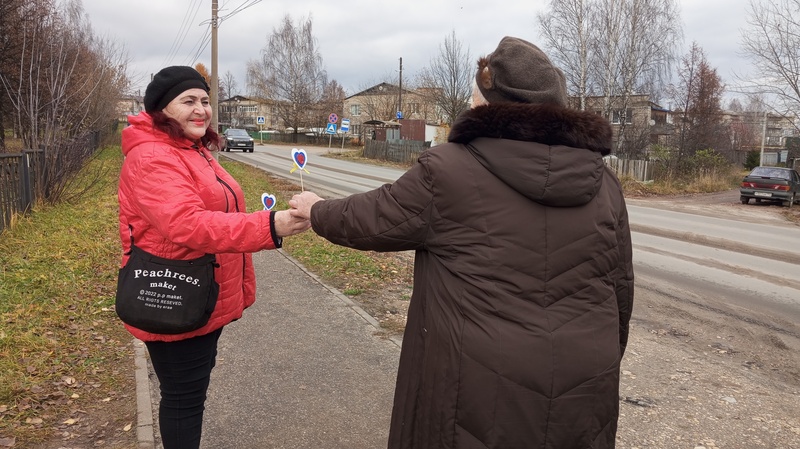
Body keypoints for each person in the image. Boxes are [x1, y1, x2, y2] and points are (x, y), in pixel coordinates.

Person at [290, 36, 634, 448]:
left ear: (488, 103)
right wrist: (603, 358)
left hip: (477, 381)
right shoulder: (604, 183)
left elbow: (372, 218)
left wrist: (315, 209)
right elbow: (620, 289)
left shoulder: (449, 170)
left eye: (474, 96)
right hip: (584, 381)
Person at [117, 66, 309, 449]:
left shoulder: (192, 149)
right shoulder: (153, 157)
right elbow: (188, 224)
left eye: (205, 100)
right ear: (161, 109)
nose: (201, 109)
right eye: (188, 100)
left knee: (191, 392)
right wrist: (271, 225)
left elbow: (216, 209)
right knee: (183, 400)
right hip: (174, 295)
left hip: (202, 292)